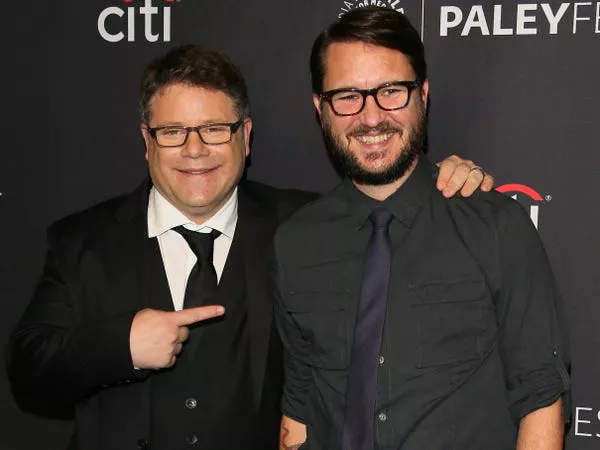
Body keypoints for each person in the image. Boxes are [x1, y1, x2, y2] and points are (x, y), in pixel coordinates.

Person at [6, 44, 492, 450]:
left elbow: (395, 214)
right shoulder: (83, 241)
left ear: (246, 136)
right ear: (147, 141)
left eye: (216, 129)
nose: (195, 150)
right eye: (173, 132)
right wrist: (122, 346)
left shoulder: (308, 226)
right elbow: (29, 371)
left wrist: (447, 183)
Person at [275, 7, 571, 450]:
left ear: (423, 95)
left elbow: (541, 398)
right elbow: (299, 406)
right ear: (321, 108)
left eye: (391, 91)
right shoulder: (294, 243)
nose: (371, 117)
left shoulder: (495, 227)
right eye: (347, 96)